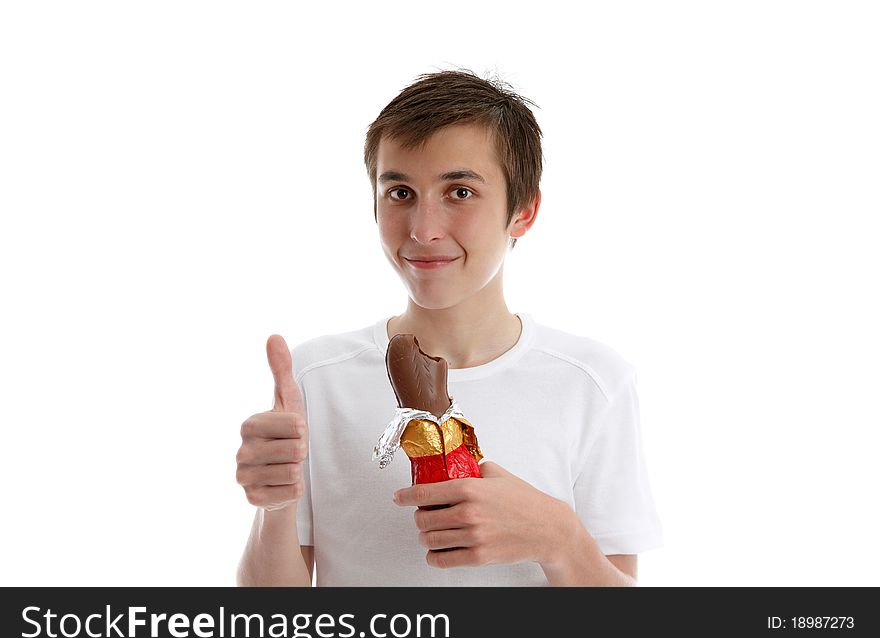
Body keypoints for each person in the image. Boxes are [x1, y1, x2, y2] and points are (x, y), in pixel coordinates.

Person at [236, 68, 663, 586]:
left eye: (460, 191)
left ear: (523, 211)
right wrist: (276, 507)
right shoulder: (316, 379)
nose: (422, 230)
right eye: (400, 193)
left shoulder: (593, 383)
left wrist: (559, 537)